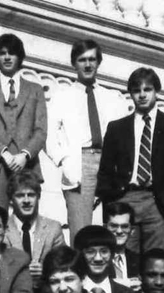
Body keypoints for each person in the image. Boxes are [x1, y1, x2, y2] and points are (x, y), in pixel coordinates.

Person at [96, 67, 164, 255]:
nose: (142, 95)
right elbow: (105, 169)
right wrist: (112, 201)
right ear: (130, 93)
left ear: (156, 91)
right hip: (125, 198)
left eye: (147, 90)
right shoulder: (117, 127)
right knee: (123, 258)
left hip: (158, 201)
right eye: (136, 90)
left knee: (157, 260)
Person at [48, 39, 129, 241]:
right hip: (79, 164)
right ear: (74, 63)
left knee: (114, 229)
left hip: (110, 165)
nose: (87, 64)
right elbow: (48, 135)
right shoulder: (62, 96)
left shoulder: (113, 98)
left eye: (92, 59)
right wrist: (64, 161)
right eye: (82, 59)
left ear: (98, 62)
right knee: (81, 232)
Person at [0, 33, 48, 208]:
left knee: (27, 220)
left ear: (20, 57)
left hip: (27, 165)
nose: (7, 57)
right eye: (2, 53)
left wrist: (24, 155)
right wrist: (4, 153)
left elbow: (41, 130)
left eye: (12, 53)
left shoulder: (35, 90)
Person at [5, 170, 65, 292]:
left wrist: (46, 270)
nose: (26, 201)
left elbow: (64, 265)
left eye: (31, 195)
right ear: (11, 200)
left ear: (38, 197)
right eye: (20, 195)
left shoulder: (53, 228)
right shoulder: (0, 229)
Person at [105, 201, 140, 288]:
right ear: (105, 228)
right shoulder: (97, 260)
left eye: (124, 226)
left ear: (132, 231)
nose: (119, 231)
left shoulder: (138, 260)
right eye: (113, 226)